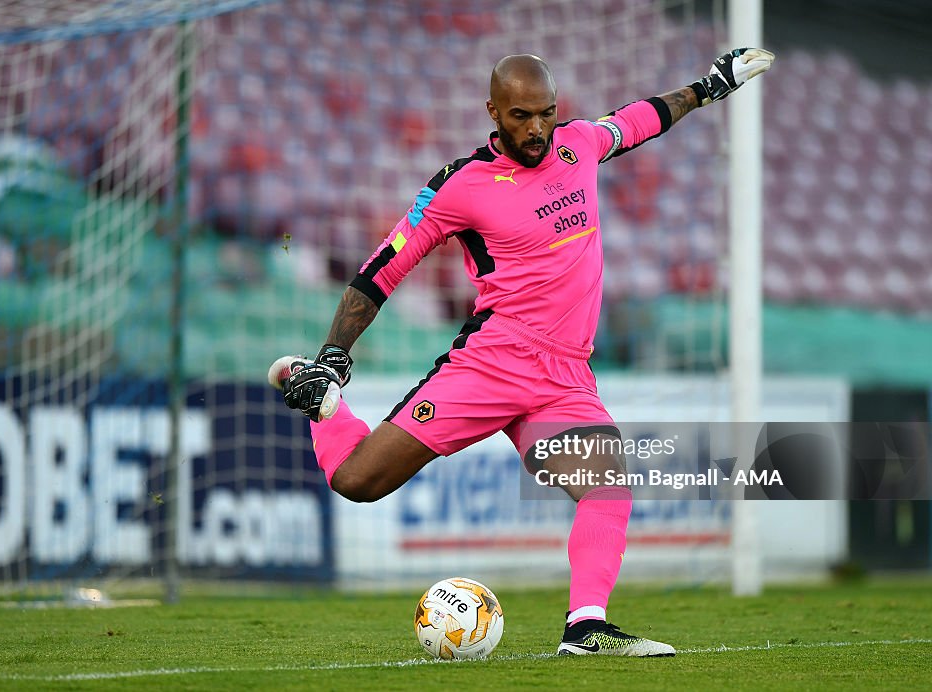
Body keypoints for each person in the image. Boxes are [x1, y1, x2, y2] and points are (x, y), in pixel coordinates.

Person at [270, 48, 775, 657]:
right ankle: (327, 406)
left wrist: (708, 87)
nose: (536, 128)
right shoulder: (460, 185)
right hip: (493, 360)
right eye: (520, 116)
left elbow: (640, 119)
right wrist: (334, 353)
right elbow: (386, 264)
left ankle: (586, 629)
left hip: (565, 377)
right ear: (492, 112)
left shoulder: (578, 144)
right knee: (358, 481)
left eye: (545, 113)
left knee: (607, 487)